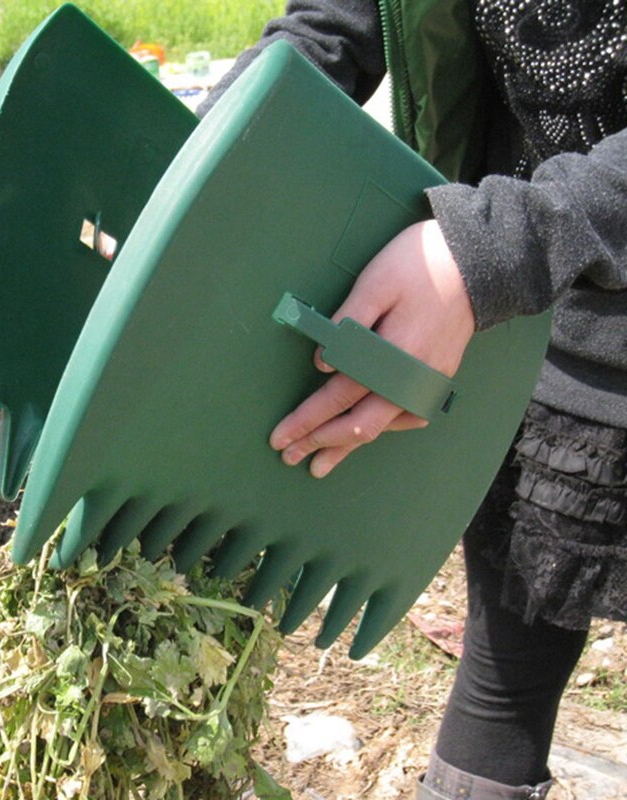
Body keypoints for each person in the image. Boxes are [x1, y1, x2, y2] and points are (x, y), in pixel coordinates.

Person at [198, 1, 627, 798]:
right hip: (522, 301)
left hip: (522, 257)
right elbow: (331, 28)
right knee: (508, 661)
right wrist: (195, 163)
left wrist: (492, 247)